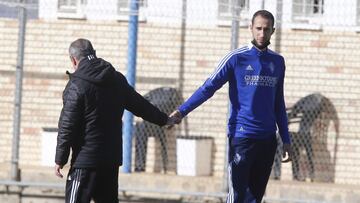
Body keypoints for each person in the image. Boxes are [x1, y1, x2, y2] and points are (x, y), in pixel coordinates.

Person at [169, 10, 293, 203]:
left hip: (267, 139)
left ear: (273, 31)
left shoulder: (278, 61)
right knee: (237, 196)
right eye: (258, 28)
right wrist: (182, 111)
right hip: (242, 137)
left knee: (254, 198)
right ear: (250, 28)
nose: (262, 33)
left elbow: (278, 103)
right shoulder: (236, 58)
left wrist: (286, 139)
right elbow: (208, 88)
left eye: (266, 29)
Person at [54, 38, 174, 203]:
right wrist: (164, 119)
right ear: (94, 54)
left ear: (73, 60)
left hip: (85, 162)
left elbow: (67, 125)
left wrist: (60, 159)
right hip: (110, 161)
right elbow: (140, 105)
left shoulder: (77, 85)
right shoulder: (116, 79)